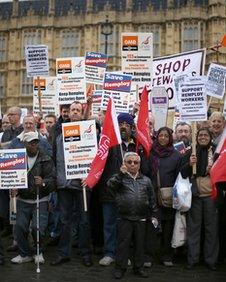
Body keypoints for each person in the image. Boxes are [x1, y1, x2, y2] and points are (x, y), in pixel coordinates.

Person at [51, 101, 93, 267]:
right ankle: (63, 253)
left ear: (82, 113)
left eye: (78, 110)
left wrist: (90, 177)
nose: (74, 112)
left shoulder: (89, 129)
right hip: (64, 183)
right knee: (64, 220)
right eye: (72, 110)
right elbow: (55, 157)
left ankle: (86, 253)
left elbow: (95, 156)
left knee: (84, 221)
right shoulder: (59, 131)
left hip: (82, 183)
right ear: (67, 112)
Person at [107, 152, 158, 279]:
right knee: (123, 245)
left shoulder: (146, 180)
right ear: (124, 163)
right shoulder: (120, 178)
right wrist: (120, 174)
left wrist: (154, 214)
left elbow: (152, 199)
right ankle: (120, 268)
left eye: (136, 162)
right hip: (124, 217)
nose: (132, 164)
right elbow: (110, 186)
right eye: (129, 162)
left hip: (141, 218)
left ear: (140, 164)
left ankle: (138, 268)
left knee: (140, 245)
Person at [11, 131, 55, 264]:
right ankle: (24, 254)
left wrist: (43, 182)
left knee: (38, 228)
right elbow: (11, 176)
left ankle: (38, 252)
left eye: (36, 142)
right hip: (22, 199)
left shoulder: (46, 158)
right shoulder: (16, 158)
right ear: (24, 144)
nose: (34, 145)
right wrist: (12, 187)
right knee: (20, 227)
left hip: (40, 199)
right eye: (31, 142)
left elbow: (53, 180)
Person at [98, 113, 136, 266]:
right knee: (109, 223)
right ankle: (109, 252)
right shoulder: (108, 144)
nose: (123, 127)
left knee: (124, 226)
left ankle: (122, 253)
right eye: (120, 124)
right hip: (109, 191)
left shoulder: (137, 145)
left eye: (127, 124)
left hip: (129, 193)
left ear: (131, 127)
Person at [180, 128, 219, 270]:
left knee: (211, 230)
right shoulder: (191, 152)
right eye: (200, 135)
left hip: (211, 196)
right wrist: (190, 164)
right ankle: (192, 259)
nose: (203, 137)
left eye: (205, 135)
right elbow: (182, 173)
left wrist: (213, 167)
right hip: (195, 196)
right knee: (194, 229)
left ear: (210, 137)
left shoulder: (216, 152)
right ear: (196, 137)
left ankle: (211, 261)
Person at [143, 127, 181, 266]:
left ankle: (166, 255)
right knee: (152, 226)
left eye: (166, 136)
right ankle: (149, 256)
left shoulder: (176, 155)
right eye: (161, 135)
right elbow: (146, 172)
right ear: (157, 137)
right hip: (152, 195)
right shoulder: (150, 153)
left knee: (168, 226)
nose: (163, 138)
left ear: (170, 138)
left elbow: (179, 176)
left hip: (168, 197)